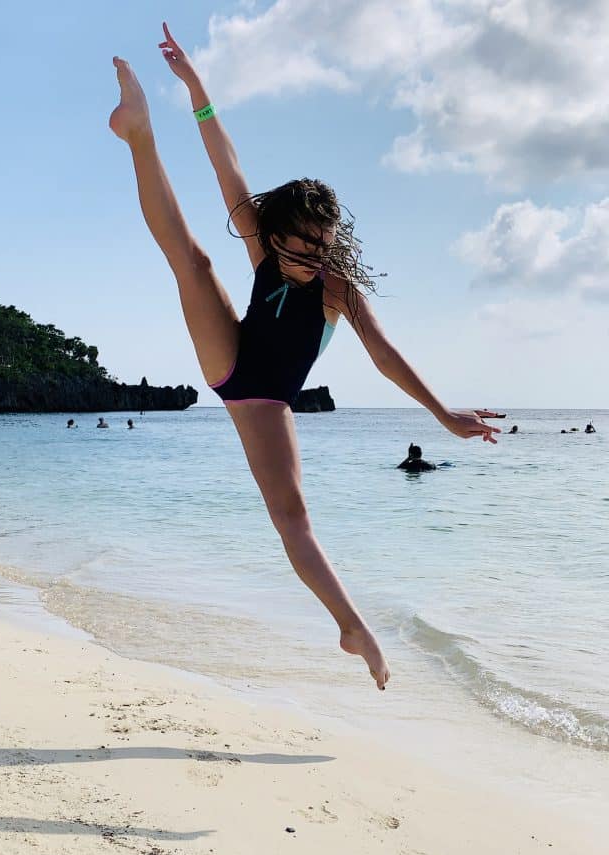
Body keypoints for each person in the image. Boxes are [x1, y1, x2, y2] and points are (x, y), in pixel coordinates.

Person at [109, 24, 504, 689]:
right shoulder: (262, 243)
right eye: (301, 248)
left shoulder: (338, 291)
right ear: (274, 233)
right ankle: (138, 132)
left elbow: (385, 356)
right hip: (230, 352)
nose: (311, 260)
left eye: (322, 248)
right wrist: (195, 85)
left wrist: (441, 415)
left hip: (261, 396)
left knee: (292, 519)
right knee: (194, 261)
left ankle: (352, 627)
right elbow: (222, 158)